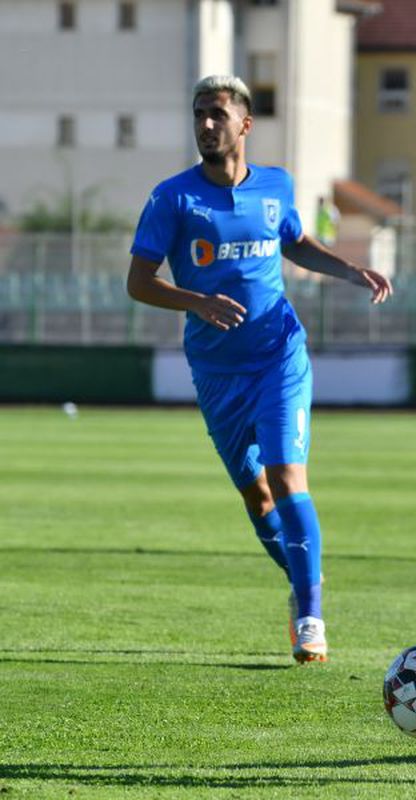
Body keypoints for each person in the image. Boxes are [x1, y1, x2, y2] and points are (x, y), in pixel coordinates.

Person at [126, 75, 392, 662]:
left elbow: (293, 241)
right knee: (258, 498)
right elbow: (139, 282)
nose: (206, 125)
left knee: (288, 477)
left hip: (279, 355)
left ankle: (311, 615)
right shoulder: (172, 198)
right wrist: (198, 302)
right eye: (199, 114)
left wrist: (352, 271)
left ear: (245, 124)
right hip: (217, 371)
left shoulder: (276, 185)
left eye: (217, 114)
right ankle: (301, 578)